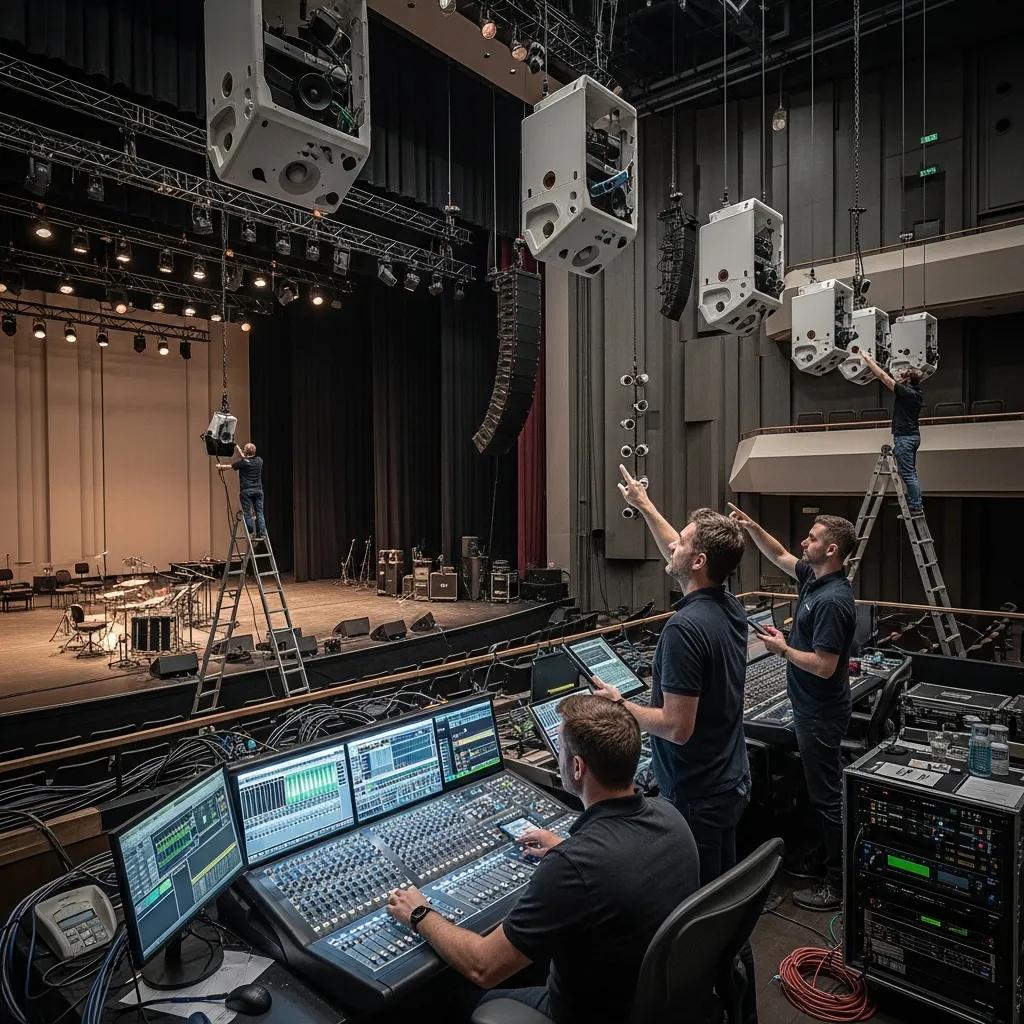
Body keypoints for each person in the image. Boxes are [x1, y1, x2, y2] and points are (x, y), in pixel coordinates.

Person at [386, 694, 699, 1024]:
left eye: (561, 749)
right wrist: (568, 847)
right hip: (656, 1002)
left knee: (453, 1000)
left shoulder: (574, 866)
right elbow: (619, 862)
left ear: (577, 767)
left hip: (592, 1013)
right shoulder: (672, 817)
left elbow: (484, 966)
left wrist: (420, 914)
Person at [594, 465, 757, 1023]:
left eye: (685, 543)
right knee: (726, 915)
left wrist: (622, 708)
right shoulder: (726, 606)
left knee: (705, 930)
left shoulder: (685, 630)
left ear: (698, 563)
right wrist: (644, 502)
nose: (675, 544)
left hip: (698, 792)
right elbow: (676, 543)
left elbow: (676, 725)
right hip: (728, 778)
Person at [727, 506, 857, 911]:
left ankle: (837, 884)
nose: (805, 542)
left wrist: (783, 649)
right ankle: (823, 857)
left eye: (813, 538)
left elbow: (824, 665)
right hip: (811, 708)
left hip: (819, 712)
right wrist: (753, 527)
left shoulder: (833, 600)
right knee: (821, 792)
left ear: (831, 550)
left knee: (827, 797)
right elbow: (781, 555)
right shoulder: (815, 579)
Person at [856, 349, 925, 514]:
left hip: (905, 438)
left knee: (908, 474)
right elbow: (886, 375)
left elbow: (883, 377)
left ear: (908, 380)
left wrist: (868, 360)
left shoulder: (906, 392)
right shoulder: (915, 393)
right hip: (911, 437)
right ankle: (914, 502)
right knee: (907, 472)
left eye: (905, 373)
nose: (901, 373)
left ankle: (915, 505)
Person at [217, 443, 266, 539]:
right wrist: (236, 446)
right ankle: (262, 533)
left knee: (247, 512)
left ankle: (250, 530)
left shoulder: (243, 463)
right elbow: (245, 457)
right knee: (259, 512)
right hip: (258, 491)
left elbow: (230, 466)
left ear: (245, 452)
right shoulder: (259, 461)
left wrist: (220, 467)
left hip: (247, 491)